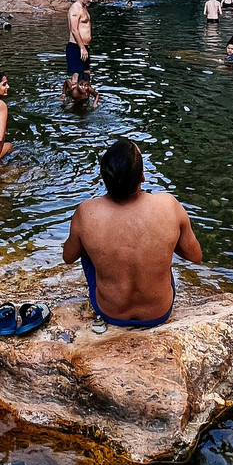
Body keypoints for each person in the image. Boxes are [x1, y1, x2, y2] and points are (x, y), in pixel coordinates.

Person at [62, 137, 202, 330]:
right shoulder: (169, 206)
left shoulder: (87, 212)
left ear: (104, 178)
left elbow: (68, 257)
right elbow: (195, 256)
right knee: (163, 247)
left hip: (110, 312)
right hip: (158, 313)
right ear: (142, 177)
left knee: (85, 247)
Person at [66, 0, 97, 79]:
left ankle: (87, 94)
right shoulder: (76, 8)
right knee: (76, 76)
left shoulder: (84, 8)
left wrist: (86, 47)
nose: (91, 1)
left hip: (84, 47)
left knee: (86, 75)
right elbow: (74, 29)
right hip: (76, 46)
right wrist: (82, 48)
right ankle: (66, 93)